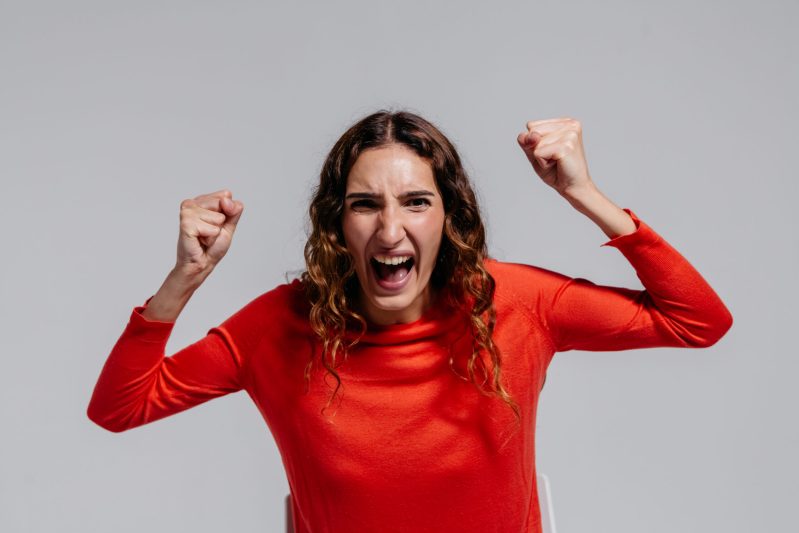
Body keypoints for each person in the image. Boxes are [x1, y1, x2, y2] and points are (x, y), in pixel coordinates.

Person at [87, 110, 733, 533]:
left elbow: (698, 319)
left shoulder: (515, 301)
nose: (390, 229)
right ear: (337, 224)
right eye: (365, 204)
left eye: (416, 202)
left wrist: (583, 194)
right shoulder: (282, 325)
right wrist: (185, 280)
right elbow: (120, 405)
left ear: (446, 216)